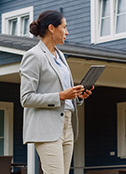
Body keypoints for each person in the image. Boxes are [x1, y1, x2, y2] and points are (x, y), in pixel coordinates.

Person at [19, 10, 93, 174]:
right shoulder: (34, 56)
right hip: (46, 128)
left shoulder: (60, 56)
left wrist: (78, 96)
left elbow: (65, 95)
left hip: (67, 125)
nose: (67, 32)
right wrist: (61, 96)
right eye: (64, 27)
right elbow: (26, 98)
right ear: (52, 28)